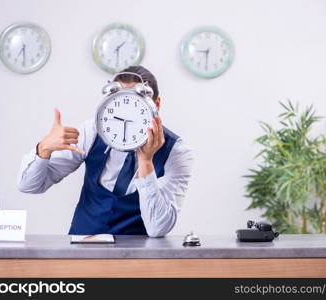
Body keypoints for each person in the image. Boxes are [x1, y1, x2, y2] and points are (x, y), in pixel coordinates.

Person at [17, 66, 194, 237]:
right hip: (81, 251)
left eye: (136, 105)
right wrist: (43, 148)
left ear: (156, 103)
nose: (126, 114)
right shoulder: (92, 132)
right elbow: (29, 186)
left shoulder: (176, 152)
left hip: (137, 259)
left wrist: (146, 162)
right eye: (119, 104)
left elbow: (158, 228)